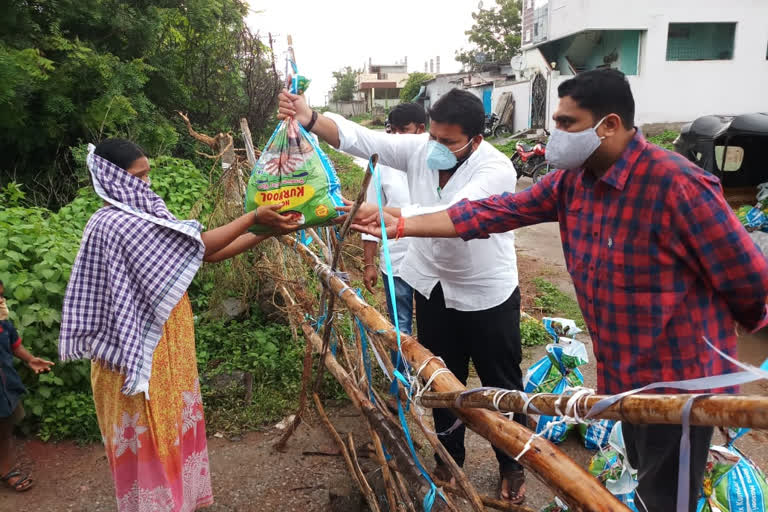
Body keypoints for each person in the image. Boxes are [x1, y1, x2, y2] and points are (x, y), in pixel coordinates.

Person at [349, 69, 768, 512]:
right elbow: (494, 212)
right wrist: (405, 223)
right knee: (646, 480)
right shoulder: (574, 183)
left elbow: (749, 279)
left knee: (668, 496)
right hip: (623, 374)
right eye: (556, 122)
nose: (556, 134)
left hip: (678, 382)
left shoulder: (675, 184)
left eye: (567, 123)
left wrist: (728, 337)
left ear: (608, 125)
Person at [279, 88, 527, 503]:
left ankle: (513, 463)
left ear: (476, 140)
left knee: (502, 384)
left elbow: (457, 215)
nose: (436, 148)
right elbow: (364, 139)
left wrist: (389, 217)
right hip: (433, 287)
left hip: (486, 295)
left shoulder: (496, 169)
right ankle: (448, 461)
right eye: (433, 137)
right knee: (441, 382)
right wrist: (309, 118)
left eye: (448, 142)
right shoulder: (423, 149)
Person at [59, 139, 298, 511]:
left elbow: (204, 254)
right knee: (149, 438)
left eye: (147, 174)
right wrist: (253, 219)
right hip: (138, 351)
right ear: (114, 178)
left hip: (166, 344)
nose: (147, 184)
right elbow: (202, 245)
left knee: (171, 427)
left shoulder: (145, 214)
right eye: (139, 176)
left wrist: (268, 232)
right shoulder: (115, 223)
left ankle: (177, 502)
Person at [362, 103, 427, 336]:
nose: (397, 137)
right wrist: (369, 263)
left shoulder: (436, 164)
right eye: (393, 130)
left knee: (433, 329)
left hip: (430, 262)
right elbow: (371, 215)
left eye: (404, 130)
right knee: (400, 329)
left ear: (421, 129)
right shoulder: (381, 167)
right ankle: (400, 372)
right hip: (396, 261)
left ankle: (430, 373)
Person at [0, 279, 55, 492]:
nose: (1, 302)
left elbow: (15, 346)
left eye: (2, 296)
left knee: (5, 426)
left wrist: (30, 359)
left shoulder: (4, 325)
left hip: (6, 387)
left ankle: (4, 469)